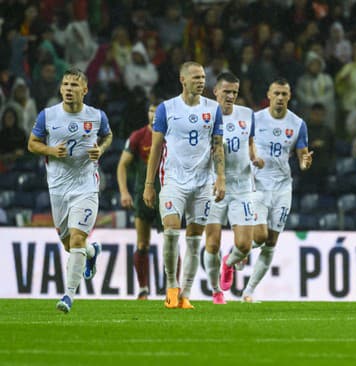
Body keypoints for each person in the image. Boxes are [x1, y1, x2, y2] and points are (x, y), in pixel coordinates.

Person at [27, 68, 113, 313]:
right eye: (65, 84)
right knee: (69, 244)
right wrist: (52, 151)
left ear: (85, 90)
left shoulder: (96, 116)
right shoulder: (48, 115)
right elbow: (32, 144)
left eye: (74, 85)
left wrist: (102, 149)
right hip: (58, 188)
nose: (68, 89)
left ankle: (68, 296)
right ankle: (91, 252)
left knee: (76, 238)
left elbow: (108, 136)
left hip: (86, 186)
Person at [143, 61, 225, 309]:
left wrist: (221, 177)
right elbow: (156, 148)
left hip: (203, 183)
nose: (201, 81)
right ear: (183, 80)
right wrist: (149, 184)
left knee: (194, 238)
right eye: (196, 77)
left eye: (203, 77)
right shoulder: (166, 109)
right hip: (173, 180)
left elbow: (218, 145)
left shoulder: (213, 109)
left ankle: (185, 294)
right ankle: (171, 286)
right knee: (170, 231)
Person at [240, 78, 312, 303]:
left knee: (271, 242)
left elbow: (302, 156)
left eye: (284, 94)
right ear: (269, 95)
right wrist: (251, 159)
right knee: (260, 236)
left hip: (282, 186)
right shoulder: (255, 118)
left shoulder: (298, 123)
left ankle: (248, 292)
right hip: (258, 183)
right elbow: (243, 146)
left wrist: (304, 163)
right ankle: (238, 254)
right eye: (277, 93)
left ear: (289, 97)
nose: (280, 98)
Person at [202, 72, 264, 304]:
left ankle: (228, 262)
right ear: (215, 91)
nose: (230, 96)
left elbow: (249, 142)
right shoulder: (206, 116)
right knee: (212, 242)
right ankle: (216, 290)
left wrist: (255, 157)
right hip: (214, 185)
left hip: (242, 187)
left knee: (244, 245)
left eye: (234, 92)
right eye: (226, 91)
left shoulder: (247, 114)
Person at [116, 102, 164, 300]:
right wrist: (124, 192)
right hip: (141, 192)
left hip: (166, 193)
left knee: (171, 240)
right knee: (142, 243)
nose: (154, 114)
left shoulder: (171, 134)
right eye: (151, 110)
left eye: (157, 110)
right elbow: (122, 165)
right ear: (147, 112)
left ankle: (173, 287)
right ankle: (143, 289)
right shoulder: (138, 136)